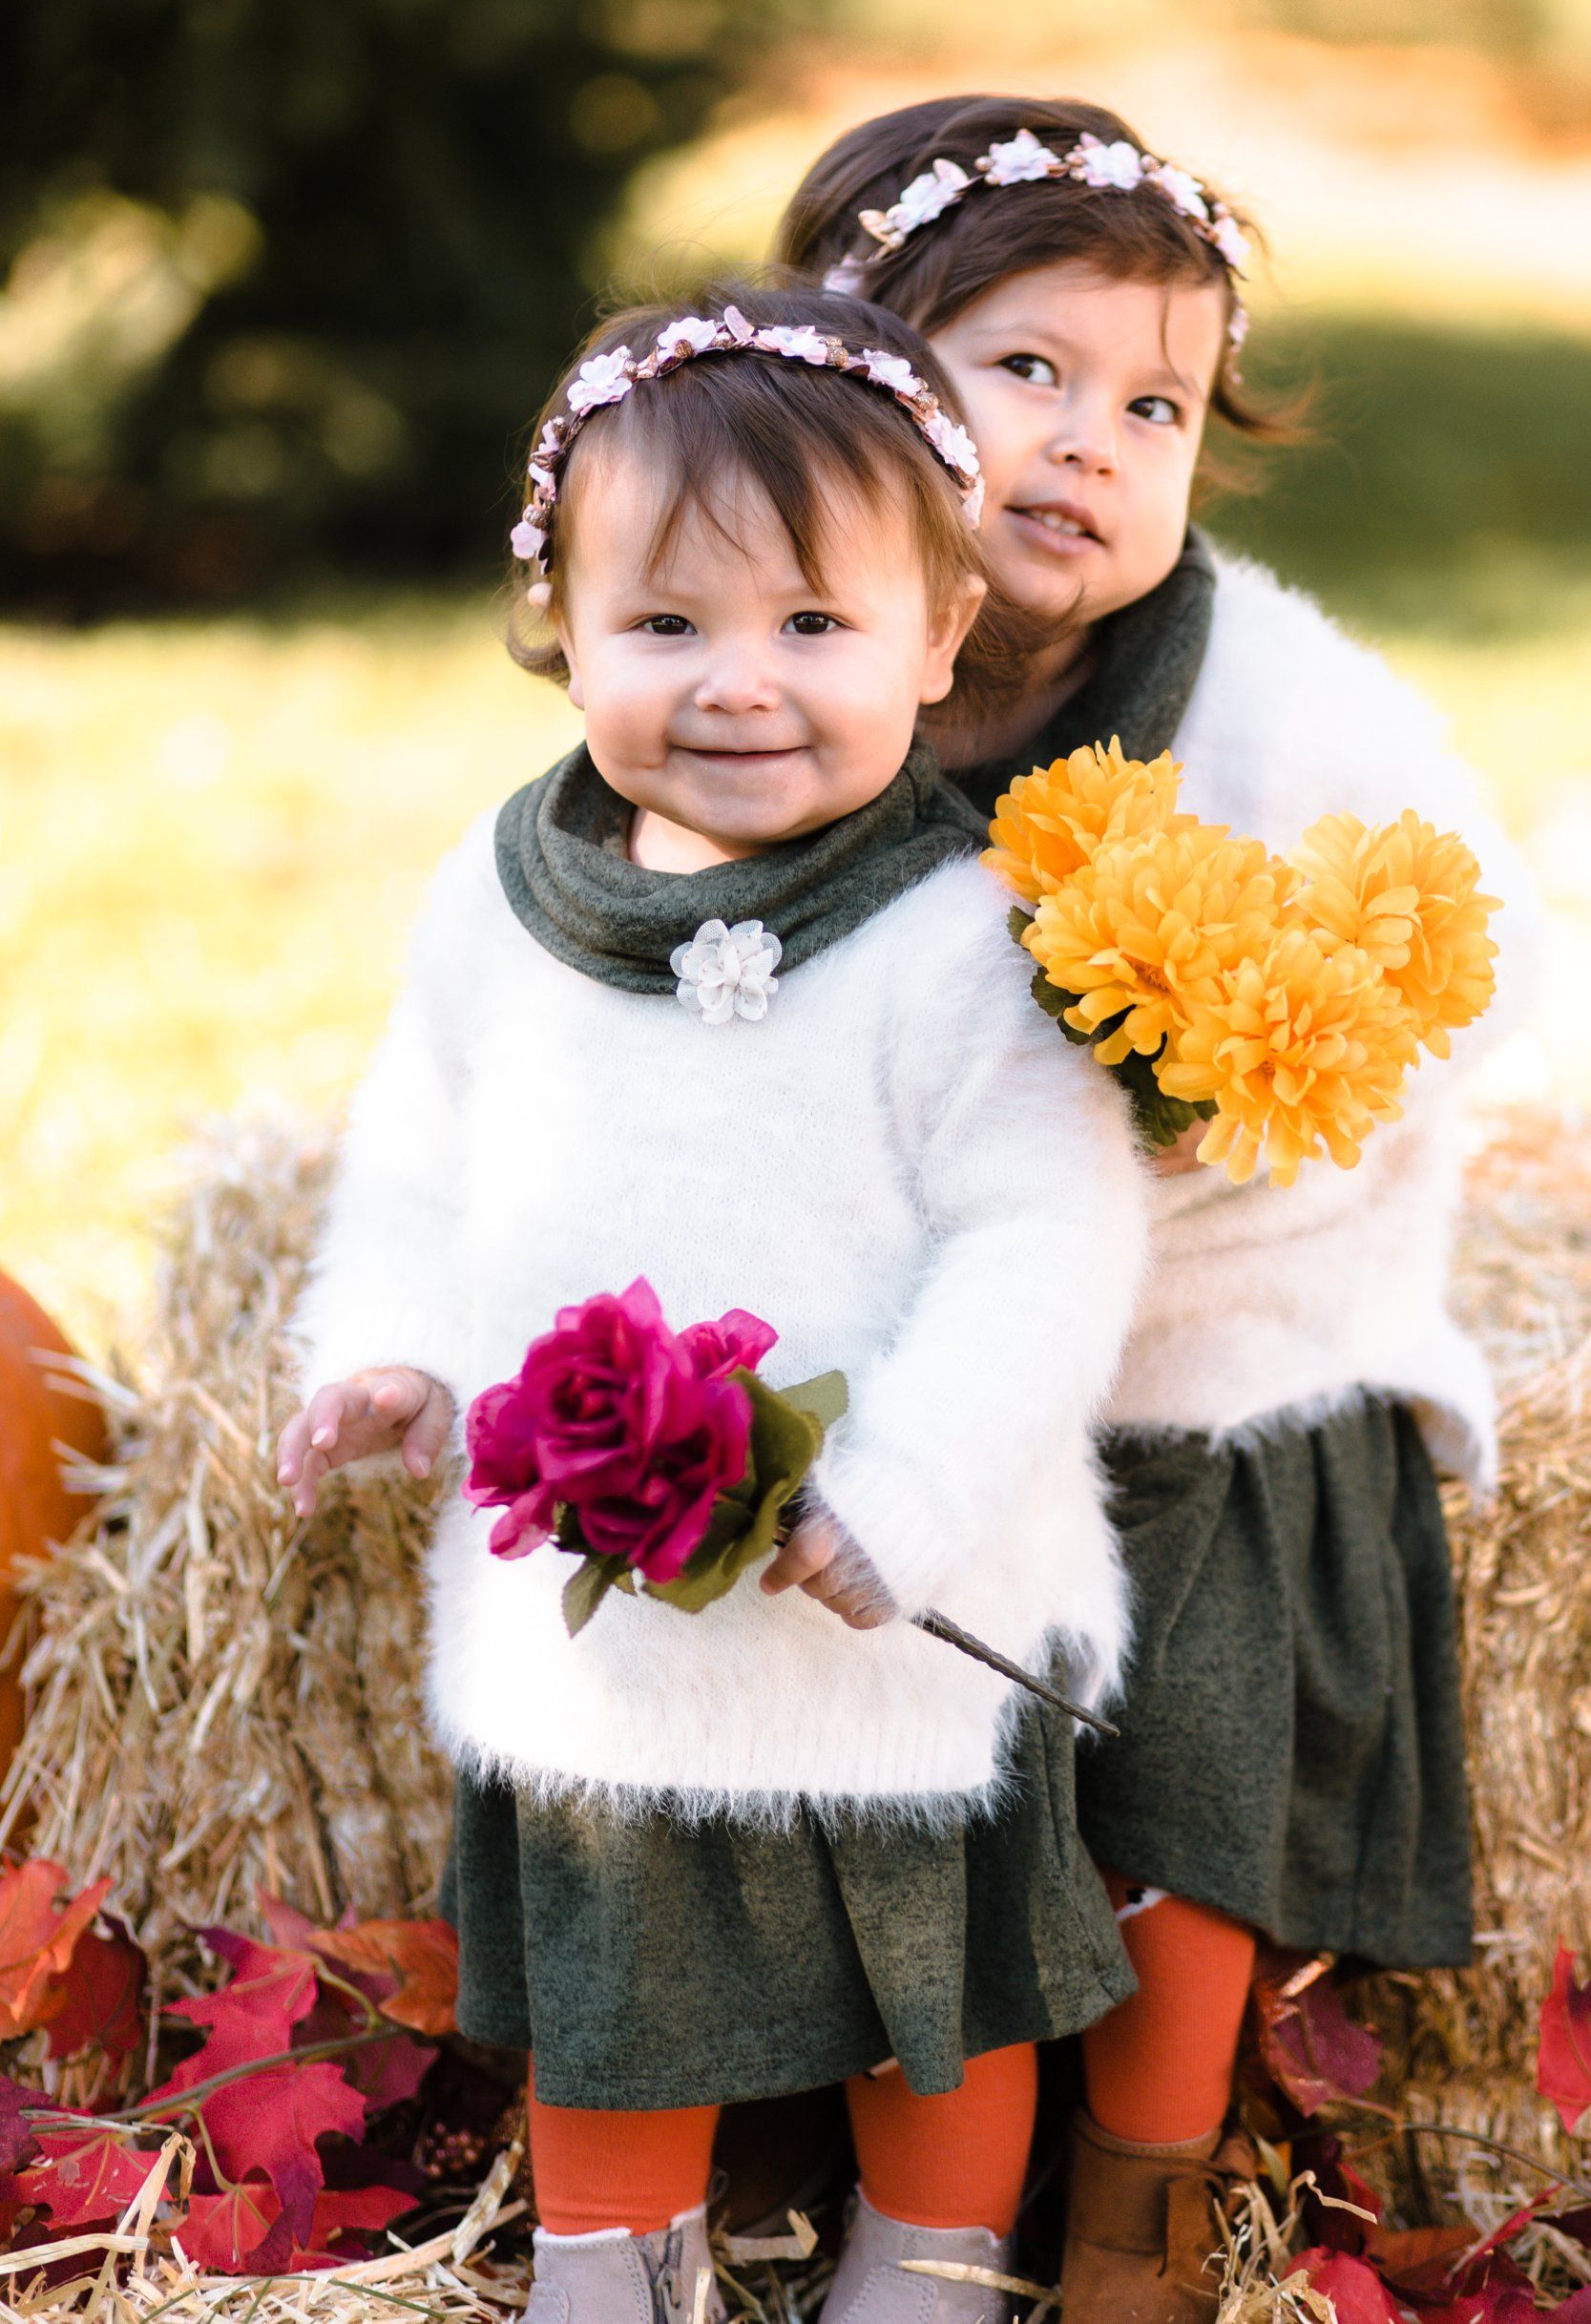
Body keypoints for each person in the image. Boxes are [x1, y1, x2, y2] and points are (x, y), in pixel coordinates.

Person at [276, 285, 1152, 2324]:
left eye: (814, 627)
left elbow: (1048, 1236)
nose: (739, 685)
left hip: (888, 1588)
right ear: (561, 633)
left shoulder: (961, 937)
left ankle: (928, 2268)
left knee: (930, 1989)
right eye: (664, 626)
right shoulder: (503, 897)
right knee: (615, 1976)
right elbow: (421, 1140)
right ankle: (614, 2260)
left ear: (940, 640)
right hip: (609, 1597)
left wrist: (914, 1486)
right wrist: (386, 1341)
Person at [775, 98, 1542, 2322]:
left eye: (1156, 402)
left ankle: (1143, 2179)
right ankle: (858, 2152)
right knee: (880, 1678)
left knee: (1187, 1708)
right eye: (1026, 370)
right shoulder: (779, 651)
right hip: (907, 1325)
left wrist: (1268, 1093)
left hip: (1211, 1318)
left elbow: (1478, 977)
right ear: (853, 368)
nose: (1089, 442)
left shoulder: (1290, 705)